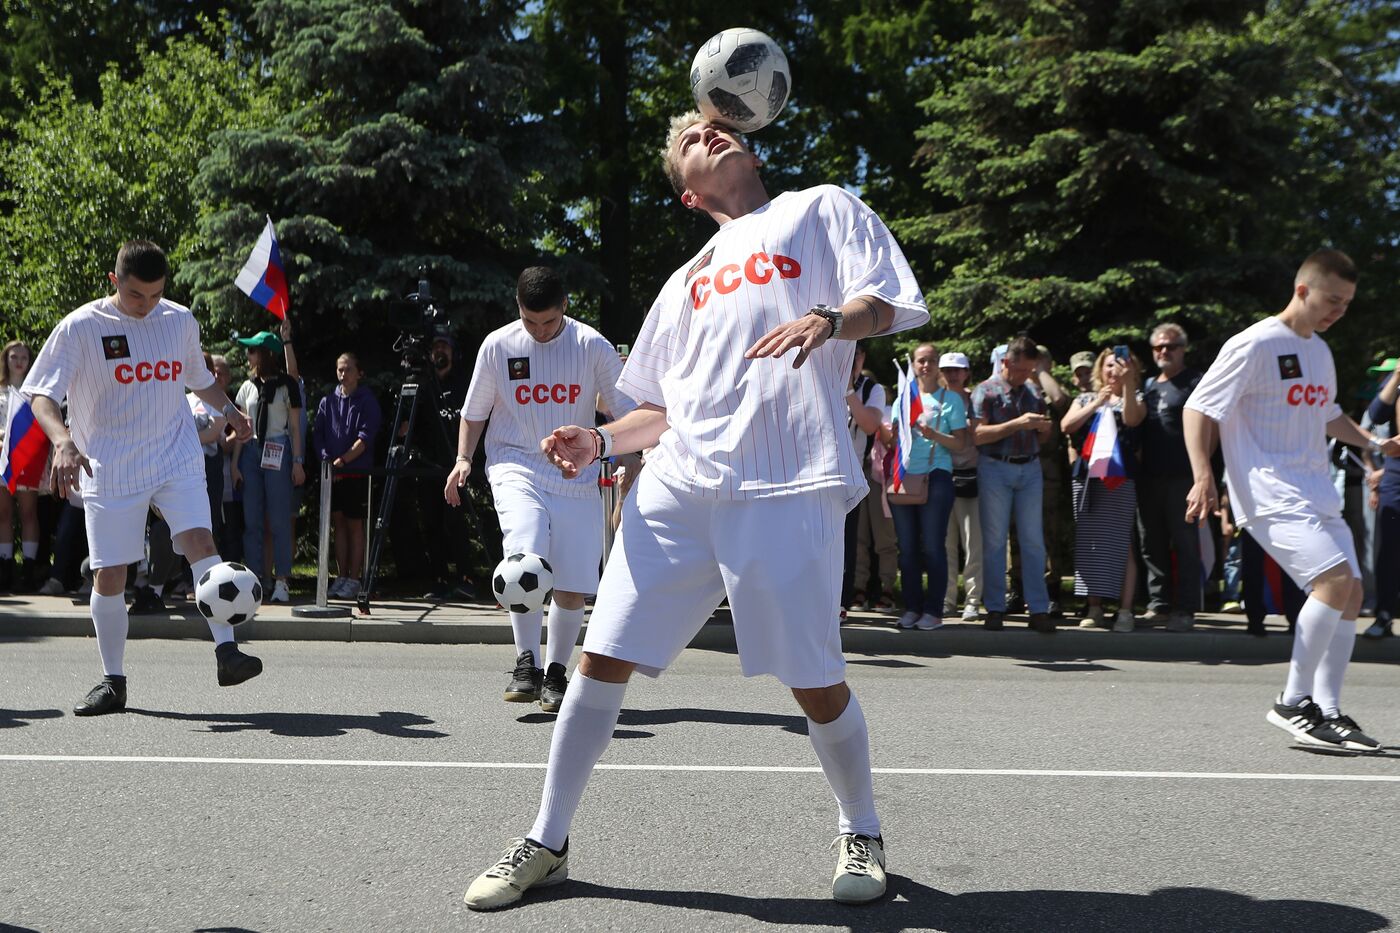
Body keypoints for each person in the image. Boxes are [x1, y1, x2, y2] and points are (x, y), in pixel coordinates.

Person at [462, 114, 928, 911]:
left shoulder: (819, 208)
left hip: (786, 482)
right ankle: (548, 839)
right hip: (676, 487)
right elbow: (656, 409)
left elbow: (888, 303)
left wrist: (831, 321)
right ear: (686, 191)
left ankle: (862, 826)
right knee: (599, 658)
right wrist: (601, 438)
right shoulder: (685, 281)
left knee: (814, 681)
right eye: (689, 137)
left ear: (747, 142)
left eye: (717, 126)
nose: (707, 134)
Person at [21, 240, 262, 715]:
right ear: (114, 282)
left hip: (175, 455)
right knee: (110, 574)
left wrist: (231, 410)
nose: (147, 306)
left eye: (156, 295)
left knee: (201, 543)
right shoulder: (81, 327)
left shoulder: (178, 320)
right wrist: (63, 440)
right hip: (109, 463)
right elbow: (40, 395)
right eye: (136, 296)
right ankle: (113, 681)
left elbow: (198, 378)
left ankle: (227, 653)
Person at [1184, 248, 1400, 752]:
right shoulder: (1254, 344)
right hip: (1269, 492)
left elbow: (1326, 415)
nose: (1338, 311)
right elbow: (1200, 407)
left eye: (1346, 303)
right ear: (1303, 290)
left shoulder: (1319, 352)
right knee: (1334, 581)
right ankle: (1291, 701)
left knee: (1350, 591)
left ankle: (1326, 710)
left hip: (1315, 491)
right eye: (1332, 300)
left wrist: (1373, 443)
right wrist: (1203, 476)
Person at [445, 266, 634, 711]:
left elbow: (624, 416)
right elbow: (475, 411)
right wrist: (463, 459)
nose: (540, 331)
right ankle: (525, 663)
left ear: (565, 306)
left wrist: (630, 475)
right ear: (519, 309)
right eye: (531, 322)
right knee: (524, 560)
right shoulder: (498, 345)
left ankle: (555, 674)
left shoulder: (591, 346)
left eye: (548, 321)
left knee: (571, 585)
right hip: (517, 465)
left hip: (577, 474)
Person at [881, 342, 967, 629]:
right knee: (907, 547)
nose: (926, 365)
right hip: (905, 477)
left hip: (937, 475)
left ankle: (933, 610)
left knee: (932, 546)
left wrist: (934, 434)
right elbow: (893, 442)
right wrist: (892, 434)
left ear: (937, 365)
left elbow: (961, 442)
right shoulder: (903, 398)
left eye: (931, 360)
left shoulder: (950, 399)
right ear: (914, 365)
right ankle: (912, 608)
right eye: (921, 361)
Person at [972, 336, 1054, 632]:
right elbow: (977, 435)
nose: (1026, 376)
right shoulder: (986, 390)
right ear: (1006, 363)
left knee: (1033, 541)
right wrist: (1018, 424)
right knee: (995, 542)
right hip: (995, 468)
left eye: (1030, 370)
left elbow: (1043, 437)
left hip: (1029, 468)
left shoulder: (1032, 390)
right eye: (1021, 370)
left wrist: (1044, 428)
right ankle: (994, 608)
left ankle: (1039, 609)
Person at [1061, 348, 1145, 632]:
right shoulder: (1085, 398)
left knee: (1123, 544)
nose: (1113, 370)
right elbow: (1067, 426)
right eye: (1109, 365)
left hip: (1120, 479)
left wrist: (1129, 385)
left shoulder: (1136, 398)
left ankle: (1124, 610)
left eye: (1120, 365)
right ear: (1100, 369)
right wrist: (1097, 402)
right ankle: (1094, 608)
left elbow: (1134, 420)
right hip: (1087, 478)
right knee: (1089, 542)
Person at [1135, 324, 1205, 632]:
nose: (1164, 351)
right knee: (1151, 542)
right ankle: (1158, 604)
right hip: (1149, 476)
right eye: (1158, 347)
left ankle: (1186, 607)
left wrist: (1203, 476)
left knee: (1185, 543)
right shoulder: (1148, 385)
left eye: (1171, 346)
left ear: (1183, 348)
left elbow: (1210, 431)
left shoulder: (1195, 382)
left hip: (1183, 477)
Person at [231, 330, 304, 603]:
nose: (248, 355)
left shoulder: (287, 385)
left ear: (265, 354)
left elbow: (295, 427)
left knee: (279, 519)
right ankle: (255, 579)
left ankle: (282, 579)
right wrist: (235, 464)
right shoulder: (247, 386)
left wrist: (298, 462)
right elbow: (242, 426)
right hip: (251, 451)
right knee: (252, 521)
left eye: (252, 350)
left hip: (278, 449)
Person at [315, 352, 382, 599]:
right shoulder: (327, 401)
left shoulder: (367, 400)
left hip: (356, 473)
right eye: (340, 369)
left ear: (359, 373)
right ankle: (342, 576)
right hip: (333, 474)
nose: (343, 374)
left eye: (348, 369)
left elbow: (365, 438)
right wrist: (328, 461)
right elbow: (319, 434)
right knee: (338, 524)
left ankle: (355, 579)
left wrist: (343, 462)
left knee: (355, 525)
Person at [842, 342, 897, 613]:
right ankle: (846, 592)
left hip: (857, 474)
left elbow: (870, 424)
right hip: (823, 472)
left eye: (856, 355)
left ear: (862, 357)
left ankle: (849, 598)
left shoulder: (871, 389)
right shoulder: (822, 379)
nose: (851, 359)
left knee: (856, 539)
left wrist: (848, 388)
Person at [940, 352, 983, 621]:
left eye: (958, 370)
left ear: (967, 372)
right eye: (947, 370)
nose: (952, 375)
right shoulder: (936, 400)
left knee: (973, 543)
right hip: (943, 475)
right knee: (945, 543)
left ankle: (973, 599)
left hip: (972, 475)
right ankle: (946, 599)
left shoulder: (976, 400)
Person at [1, 339, 45, 591]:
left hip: (26, 457)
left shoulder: (34, 393)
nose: (19, 362)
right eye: (13, 357)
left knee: (28, 513)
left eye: (23, 358)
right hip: (1, 458)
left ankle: (28, 570)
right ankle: (5, 568)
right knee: (3, 514)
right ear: (5, 360)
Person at [1362, 359, 1400, 638]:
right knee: (1388, 550)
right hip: (1395, 480)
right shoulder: (1396, 385)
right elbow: (1376, 415)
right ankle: (1384, 616)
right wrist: (1396, 375)